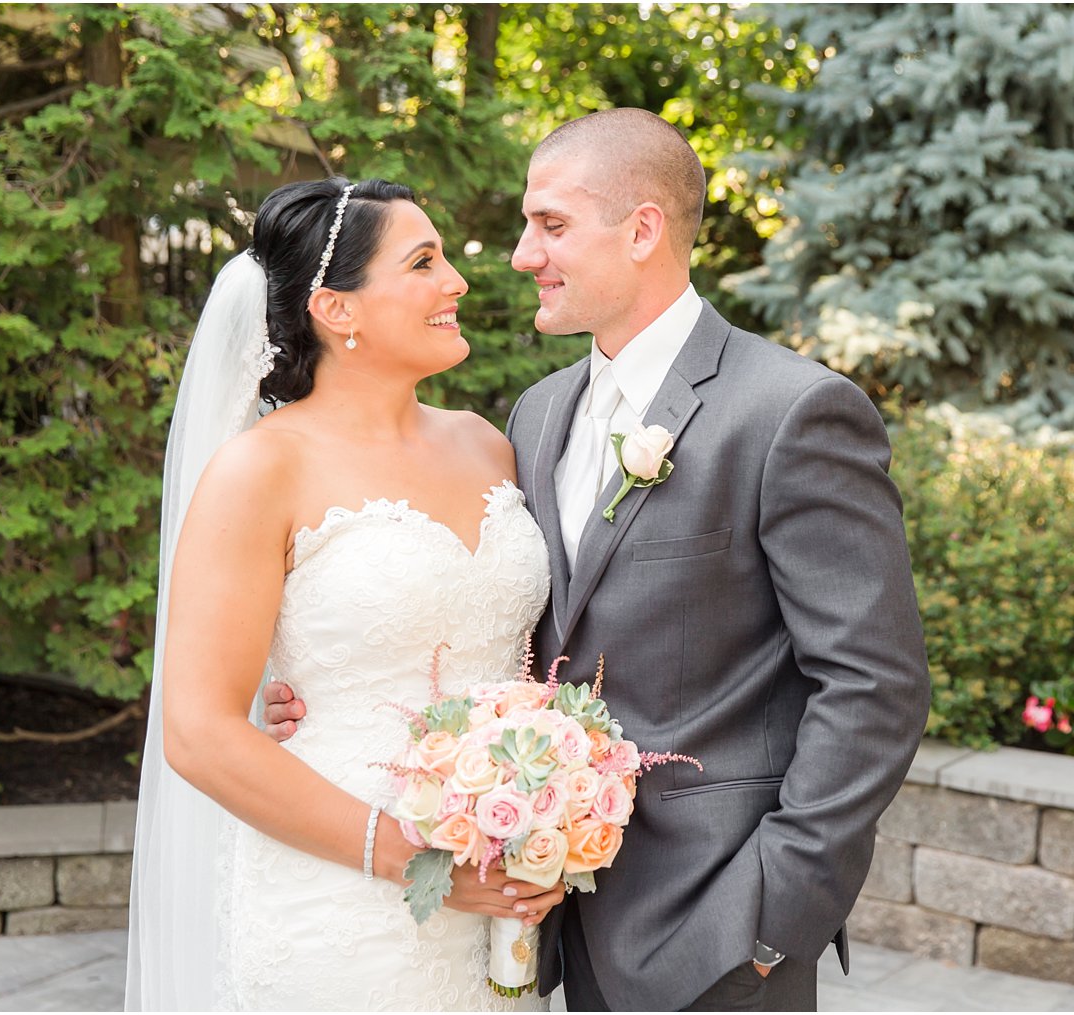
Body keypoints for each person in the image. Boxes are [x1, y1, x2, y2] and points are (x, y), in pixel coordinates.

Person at [266, 108, 931, 1011]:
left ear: (644, 228)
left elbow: (874, 686)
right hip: (555, 918)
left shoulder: (792, 410)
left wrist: (775, 916)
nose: (519, 254)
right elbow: (514, 630)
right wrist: (318, 685)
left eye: (552, 224)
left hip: (721, 926)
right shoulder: (536, 415)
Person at [125, 177, 564, 1011]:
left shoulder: (486, 445)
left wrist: (552, 797)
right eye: (424, 262)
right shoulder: (262, 468)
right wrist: (419, 859)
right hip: (339, 897)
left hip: (497, 885)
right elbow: (198, 731)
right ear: (338, 309)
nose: (458, 282)